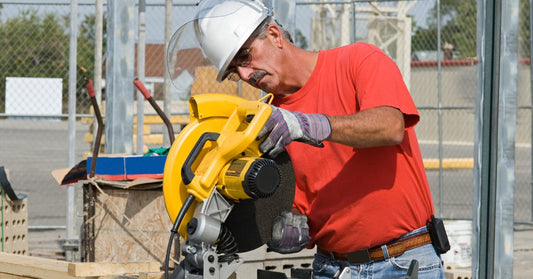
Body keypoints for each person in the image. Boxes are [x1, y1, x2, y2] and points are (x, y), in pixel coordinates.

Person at [182, 0, 447, 278]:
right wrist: (284, 227)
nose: (246, 75)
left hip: (402, 261)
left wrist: (312, 124)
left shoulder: (359, 60)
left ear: (274, 35)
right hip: (331, 268)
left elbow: (391, 126)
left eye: (245, 56)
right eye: (236, 70)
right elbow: (295, 203)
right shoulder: (267, 123)